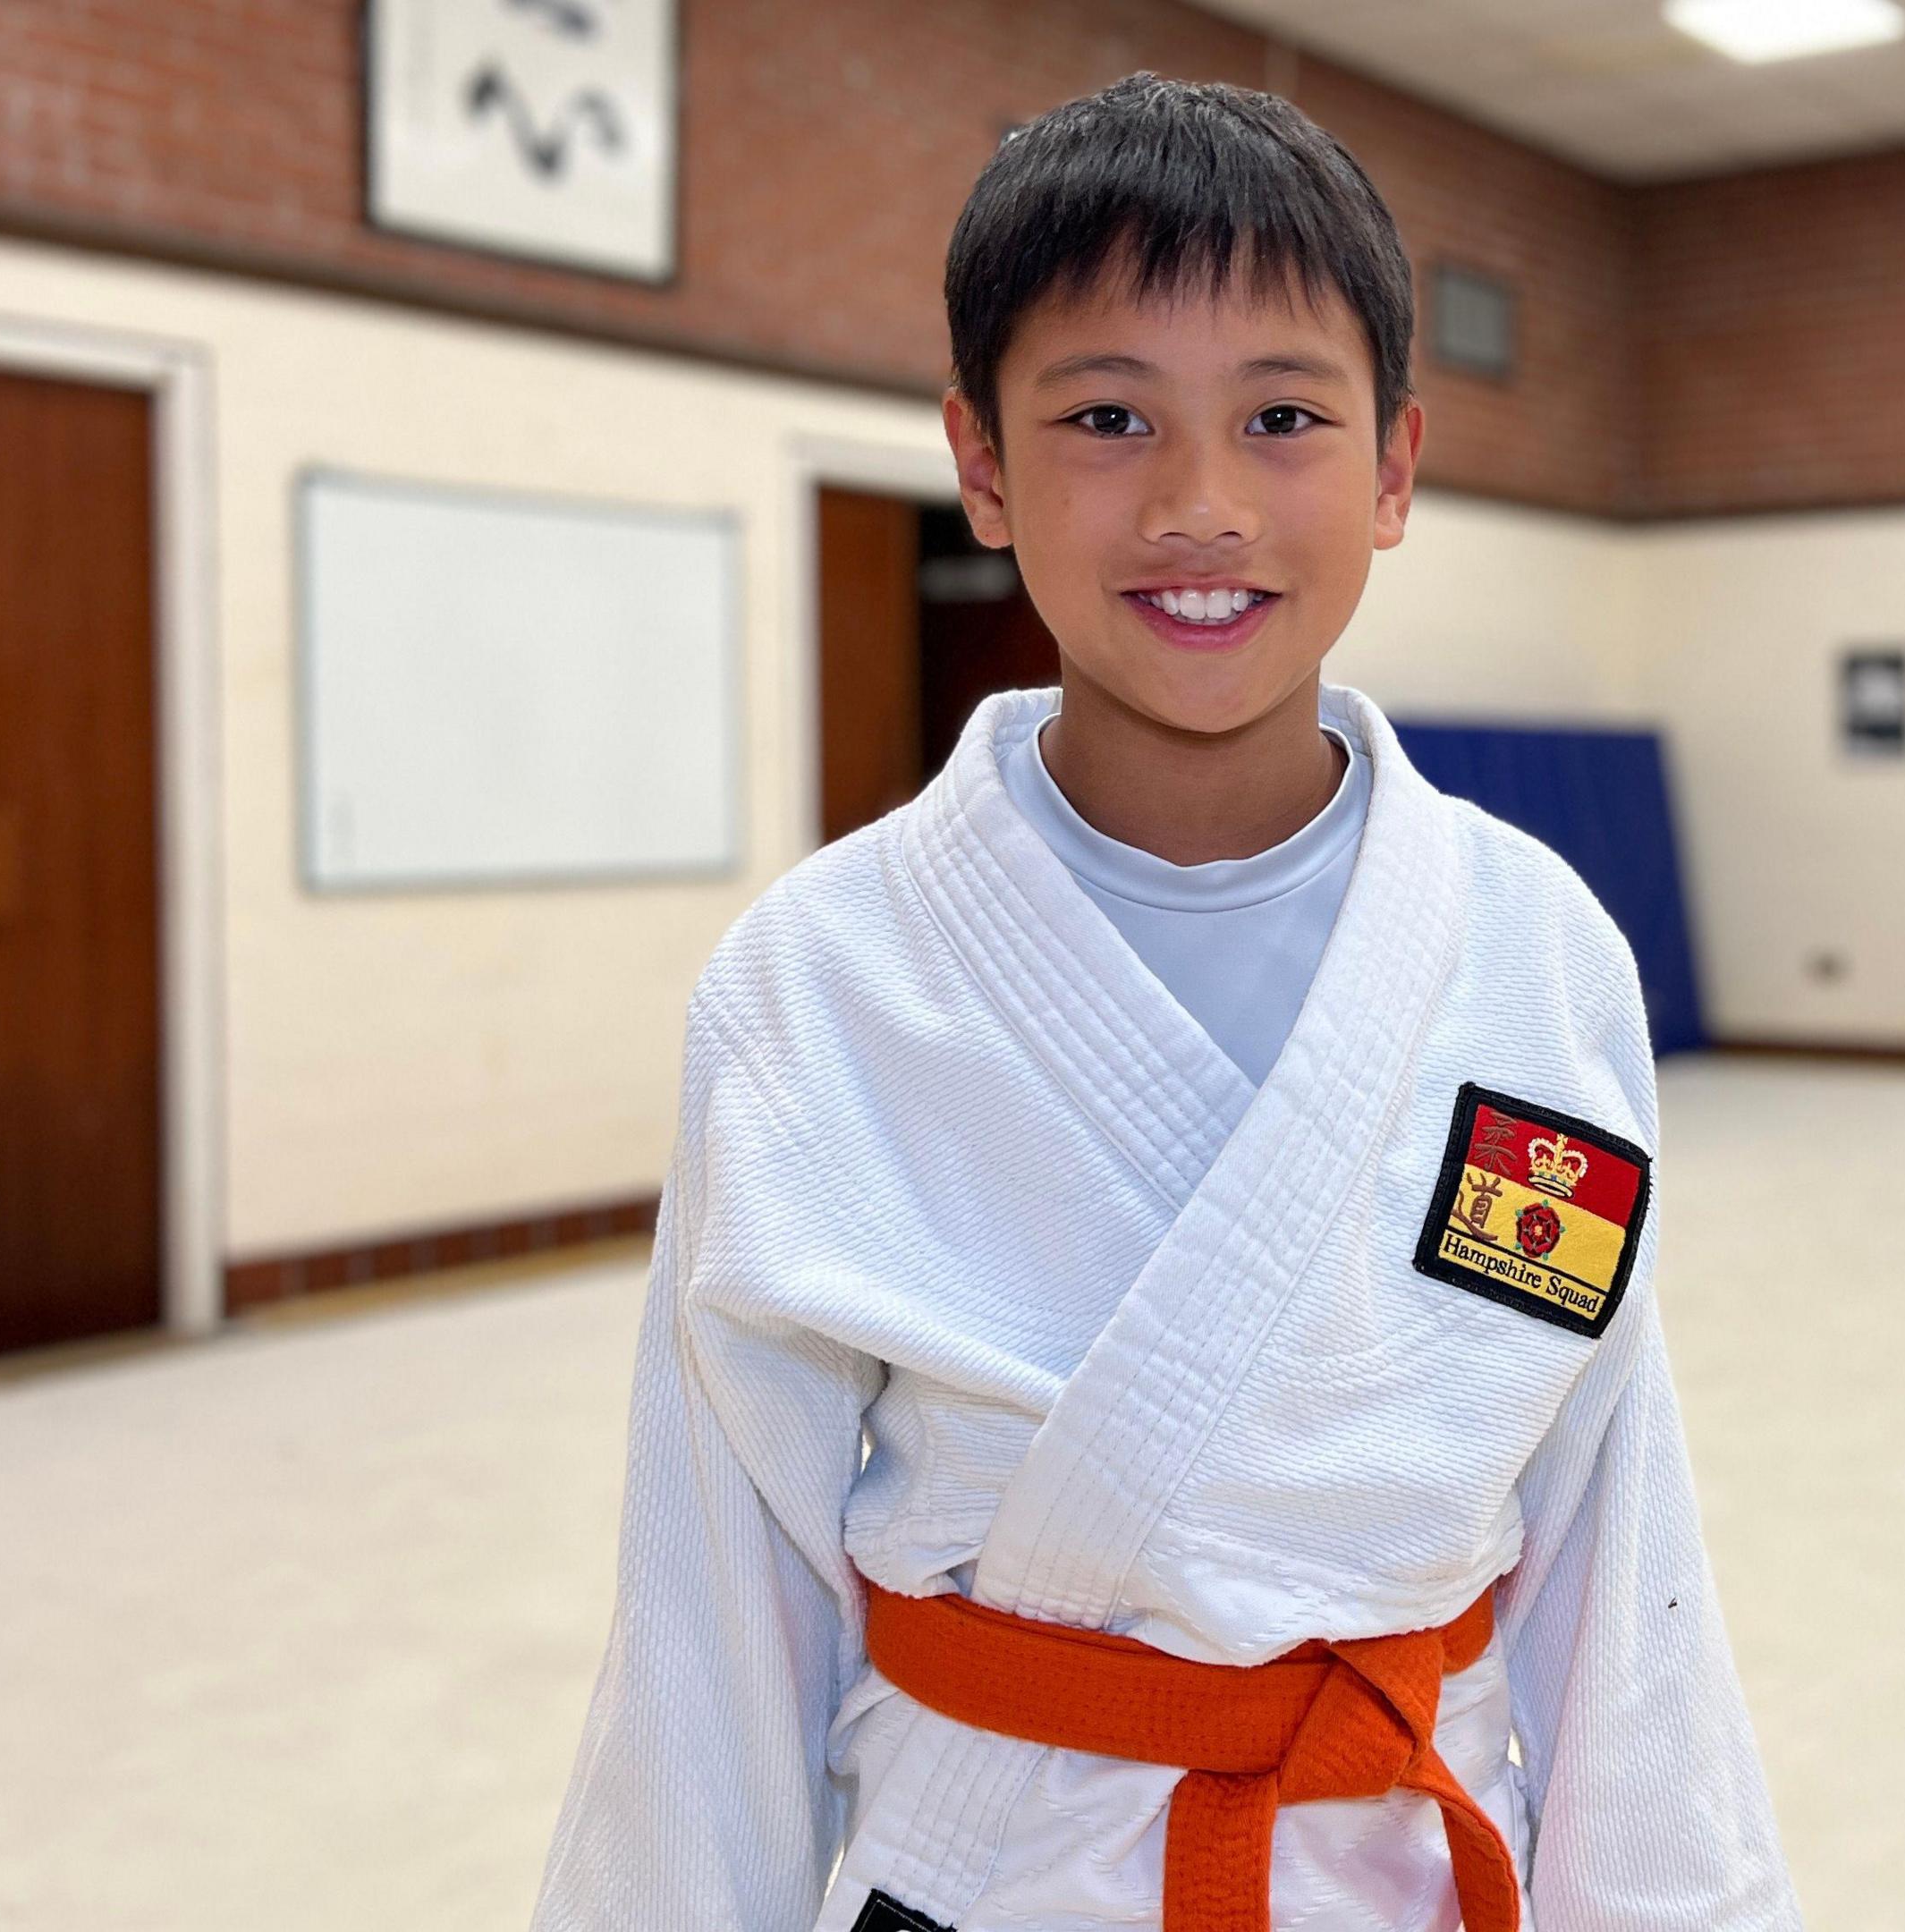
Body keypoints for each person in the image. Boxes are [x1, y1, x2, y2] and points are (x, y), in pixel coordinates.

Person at [526, 72, 1799, 1932]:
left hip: (1399, 1873)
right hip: (991, 1882)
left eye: (1284, 416)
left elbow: (1616, 1549)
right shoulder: (824, 978)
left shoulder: (1532, 951)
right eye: (1108, 416)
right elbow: (715, 1605)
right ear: (982, 464)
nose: (1203, 504)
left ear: (1393, 468)